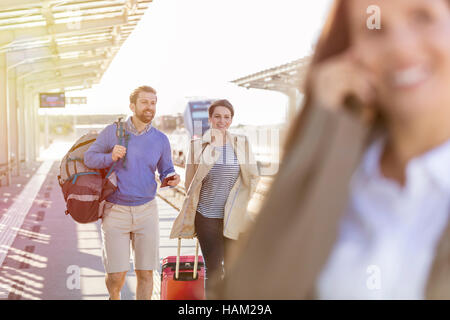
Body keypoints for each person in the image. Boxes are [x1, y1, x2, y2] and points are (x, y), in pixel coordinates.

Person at [223, 0, 450, 299]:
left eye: (422, 16)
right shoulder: (336, 168)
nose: (401, 47)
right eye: (375, 28)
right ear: (351, 53)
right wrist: (328, 125)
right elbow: (249, 293)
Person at [84, 85, 180, 300]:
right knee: (117, 276)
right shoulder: (113, 132)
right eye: (144, 102)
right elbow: (89, 158)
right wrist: (110, 156)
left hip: (147, 210)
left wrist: (172, 177)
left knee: (146, 272)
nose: (149, 107)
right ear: (132, 105)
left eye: (153, 102)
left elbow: (166, 169)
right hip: (115, 211)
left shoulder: (161, 139)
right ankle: (114, 296)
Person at [170, 99, 260, 299]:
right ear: (210, 119)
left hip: (234, 217)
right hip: (207, 217)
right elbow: (190, 183)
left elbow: (252, 176)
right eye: (217, 116)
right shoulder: (197, 145)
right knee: (214, 271)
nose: (222, 121)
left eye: (227, 117)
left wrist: (241, 200)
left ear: (231, 120)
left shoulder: (242, 143)